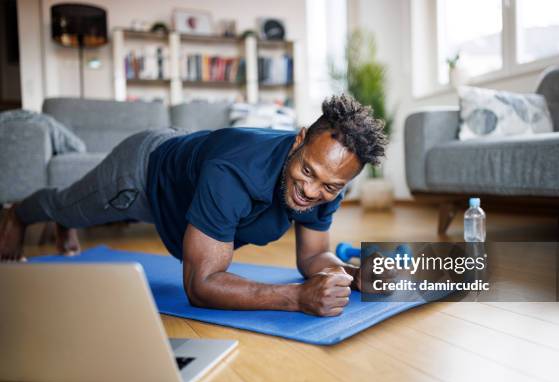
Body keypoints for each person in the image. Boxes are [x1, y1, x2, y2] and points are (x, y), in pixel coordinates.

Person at [0, 94, 387, 316]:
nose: (311, 189)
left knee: (72, 212)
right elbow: (200, 286)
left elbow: (314, 256)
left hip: (191, 166)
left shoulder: (327, 181)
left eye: (330, 186)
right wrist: (297, 297)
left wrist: (351, 275)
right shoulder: (233, 172)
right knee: (66, 206)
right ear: (300, 139)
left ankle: (61, 220)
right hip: (143, 173)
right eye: (307, 170)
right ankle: (16, 213)